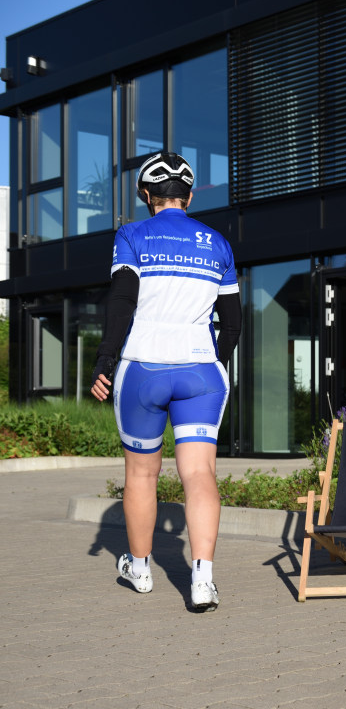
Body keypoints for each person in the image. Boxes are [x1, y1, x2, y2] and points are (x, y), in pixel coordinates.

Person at [90, 151, 241, 613]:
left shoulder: (131, 235)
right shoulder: (218, 242)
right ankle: (202, 580)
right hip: (201, 370)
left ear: (145, 195)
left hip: (144, 366)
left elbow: (122, 300)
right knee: (200, 473)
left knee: (141, 474)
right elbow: (233, 323)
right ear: (189, 196)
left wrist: (104, 359)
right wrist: (212, 364)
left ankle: (139, 569)